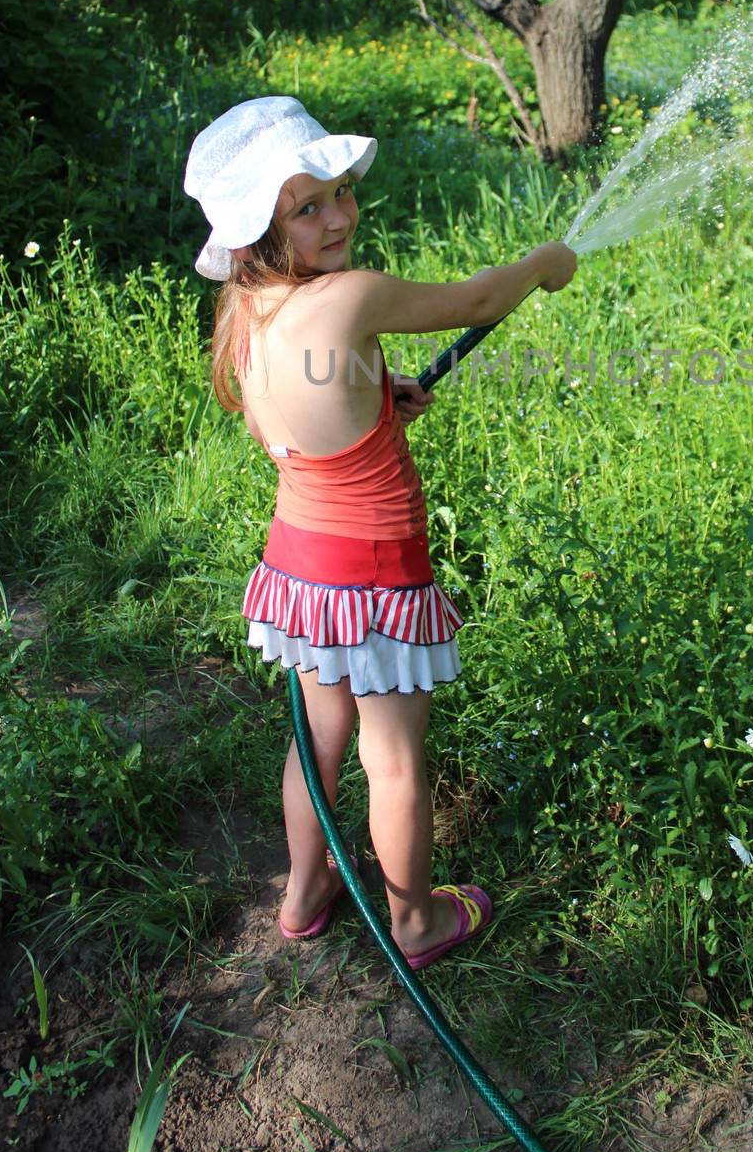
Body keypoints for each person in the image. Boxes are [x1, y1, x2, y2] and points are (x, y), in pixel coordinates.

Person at [183, 96, 576, 966]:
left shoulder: (247, 319)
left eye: (338, 192)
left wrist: (373, 394)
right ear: (257, 230)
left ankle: (303, 889)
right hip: (373, 580)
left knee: (318, 737)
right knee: (392, 757)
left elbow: (303, 420)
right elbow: (477, 297)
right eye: (306, 206)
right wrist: (542, 262)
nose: (337, 216)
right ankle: (416, 921)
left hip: (298, 572)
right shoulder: (352, 297)